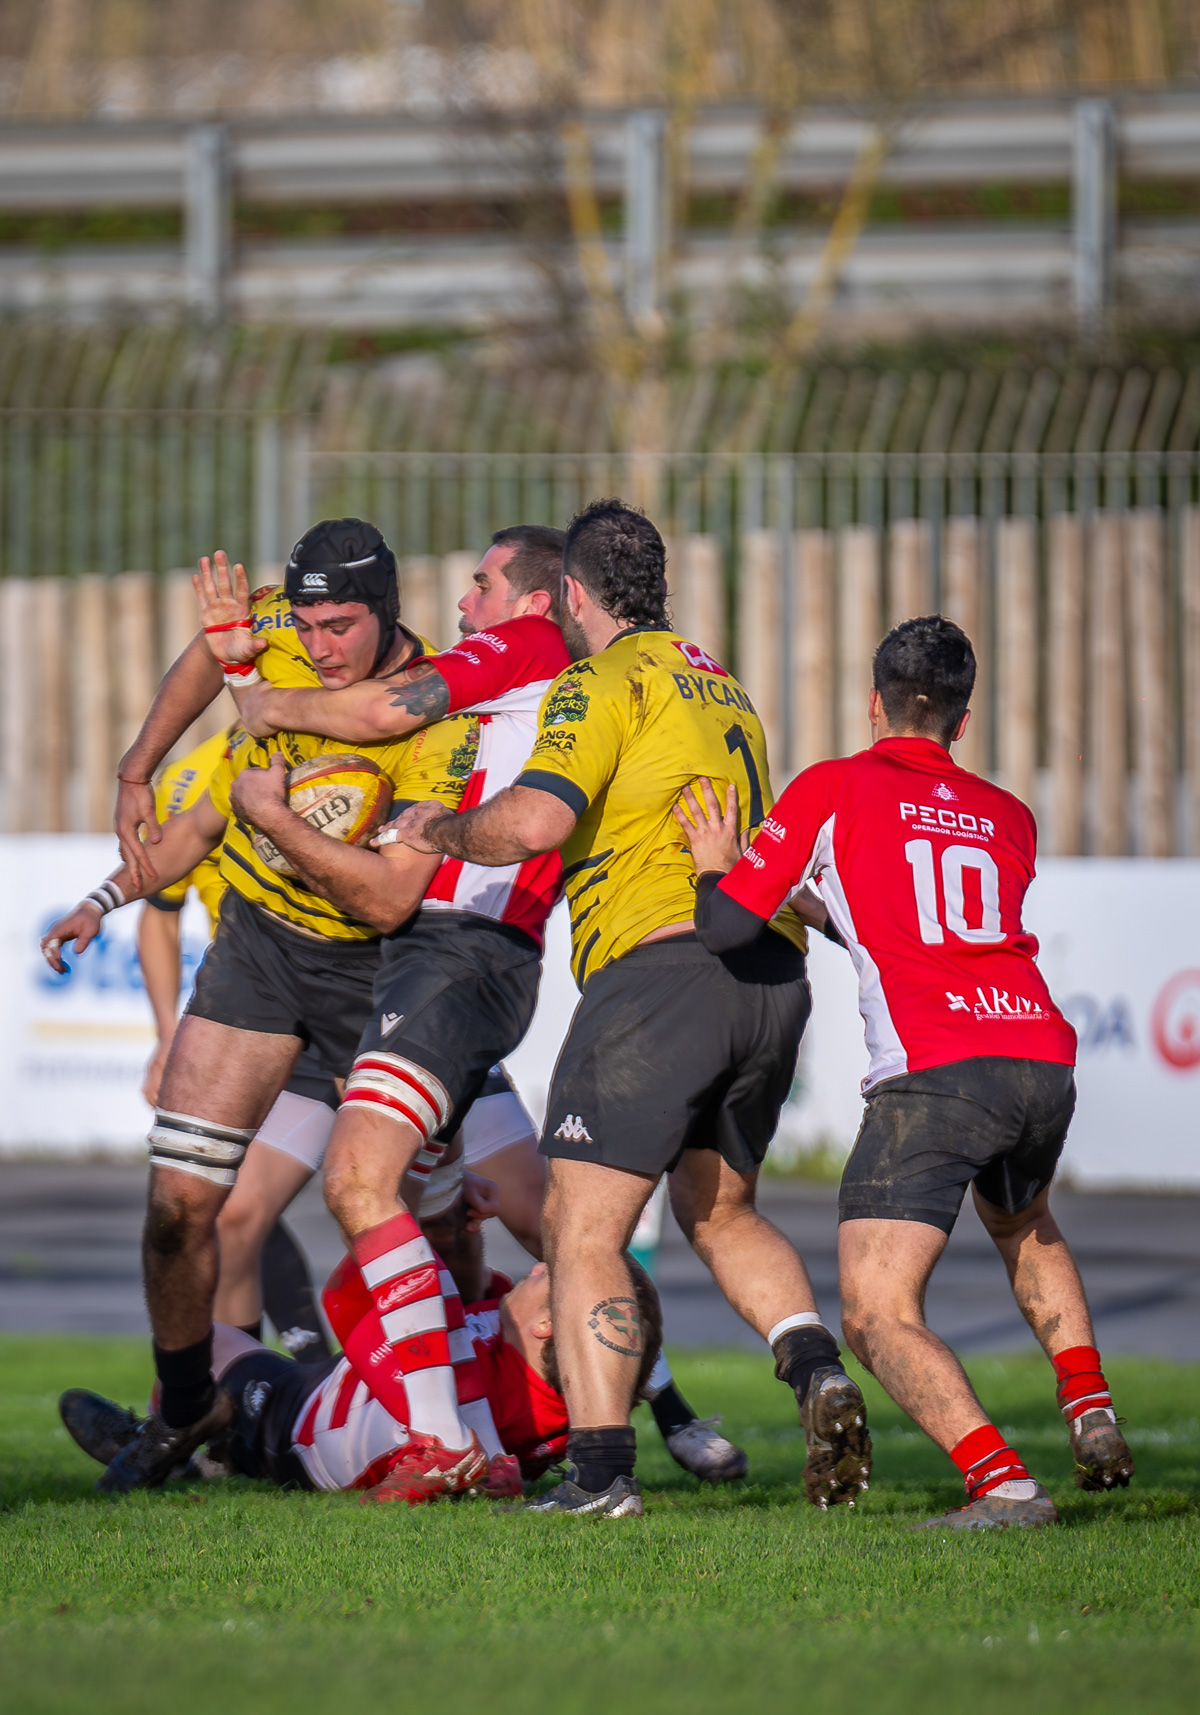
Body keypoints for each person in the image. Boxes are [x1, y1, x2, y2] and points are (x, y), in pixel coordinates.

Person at [389, 497, 871, 1518]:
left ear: (569, 594)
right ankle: (815, 1367)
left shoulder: (596, 681)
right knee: (720, 1209)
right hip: (768, 979)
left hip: (659, 974)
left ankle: (602, 1474)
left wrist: (441, 827)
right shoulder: (723, 684)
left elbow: (536, 819)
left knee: (582, 1228)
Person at [41, 520, 494, 1500]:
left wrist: (278, 819)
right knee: (179, 1210)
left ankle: (481, 1421)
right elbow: (214, 661)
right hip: (259, 955)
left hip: (380, 970)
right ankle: (184, 1406)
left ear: (387, 611)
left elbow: (388, 898)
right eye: (307, 625)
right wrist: (131, 780)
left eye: (340, 628)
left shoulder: (441, 715)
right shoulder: (276, 644)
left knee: (445, 1216)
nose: (319, 645)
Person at [678, 614, 1134, 1531]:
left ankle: (1001, 1482)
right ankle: (1090, 1408)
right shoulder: (1009, 815)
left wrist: (716, 870)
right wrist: (822, 893)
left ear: (873, 701)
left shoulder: (835, 786)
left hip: (938, 1070)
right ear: (963, 721)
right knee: (1026, 1222)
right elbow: (918, 917)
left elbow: (728, 927)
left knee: (877, 1313)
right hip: (1040, 1052)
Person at [60, 1247, 664, 1503]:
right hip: (328, 1388)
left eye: (546, 1276)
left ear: (547, 1328)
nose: (536, 1265)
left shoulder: (490, 1395)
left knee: (192, 1336)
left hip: (288, 1421)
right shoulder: (544, 1386)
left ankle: (185, 1441)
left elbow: (350, 1298)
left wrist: (405, 1221)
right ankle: (191, 1439)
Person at [139, 725, 334, 1360]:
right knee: (227, 1208)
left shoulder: (356, 740)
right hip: (248, 1016)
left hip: (347, 1007)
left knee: (425, 1210)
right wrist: (168, 1039)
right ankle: (234, 1410)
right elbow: (158, 914)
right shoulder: (191, 777)